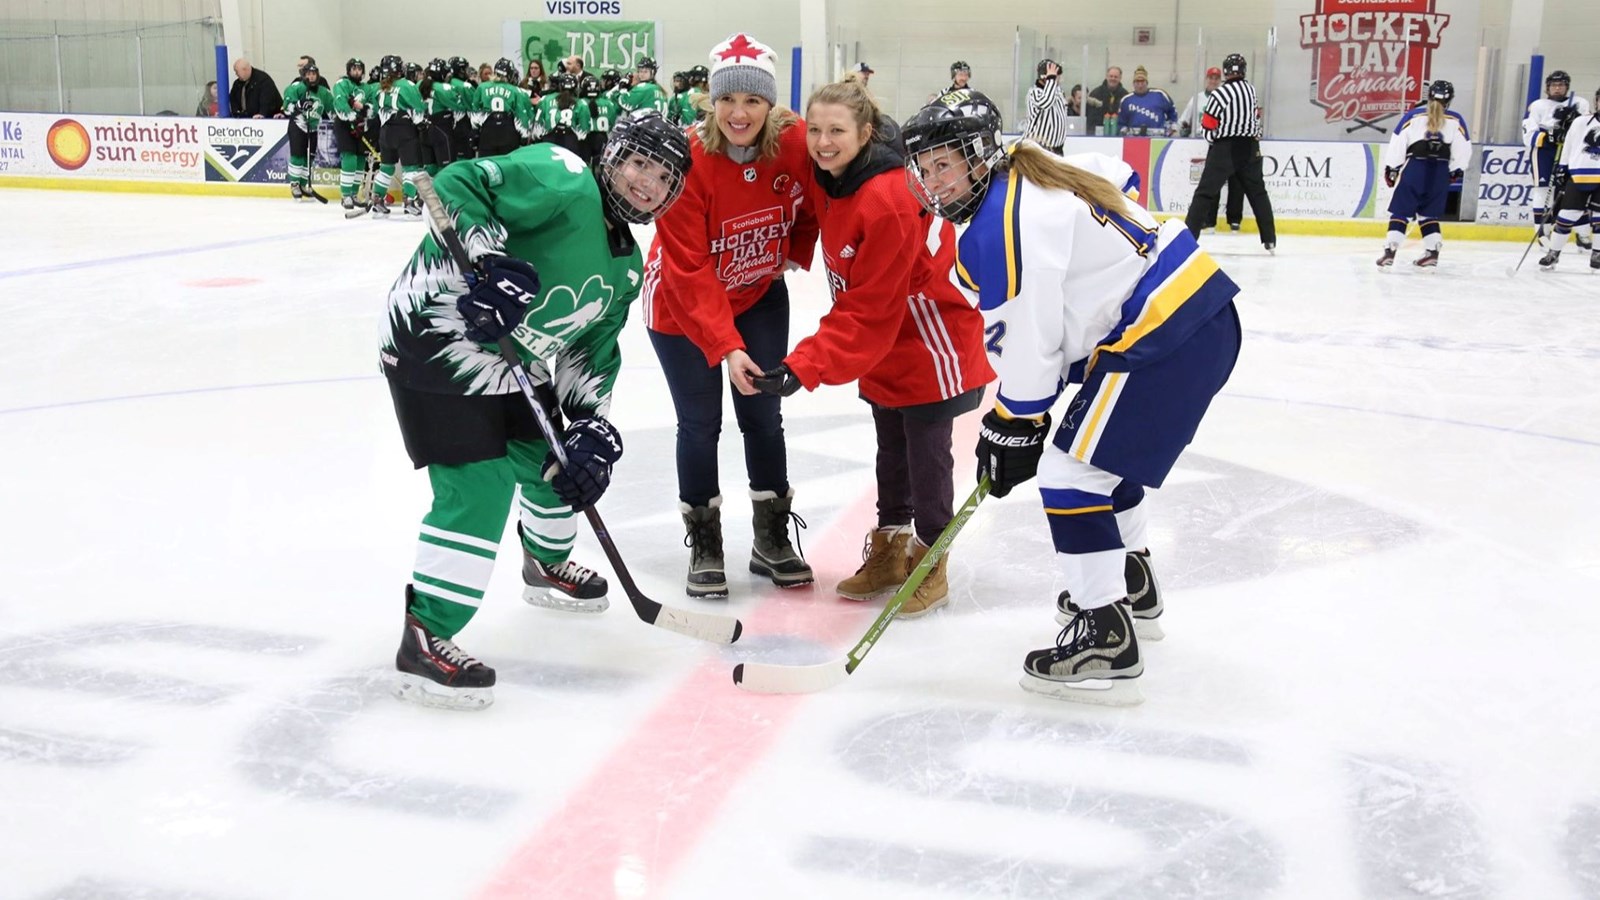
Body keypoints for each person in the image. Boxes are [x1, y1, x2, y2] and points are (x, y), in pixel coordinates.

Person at [902, 90, 1241, 706]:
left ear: (980, 157)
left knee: (1070, 469)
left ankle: (1106, 637)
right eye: (923, 169)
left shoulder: (1002, 228)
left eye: (944, 164)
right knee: (1099, 457)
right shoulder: (1033, 167)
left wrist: (1012, 423)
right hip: (1194, 313)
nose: (933, 182)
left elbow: (1031, 351)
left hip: (1162, 337)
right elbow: (1121, 179)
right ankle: (1130, 582)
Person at [382, 112, 692, 710]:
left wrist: (591, 424)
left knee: (562, 464)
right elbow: (458, 183)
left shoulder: (627, 267)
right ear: (613, 157)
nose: (646, 183)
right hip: (434, 342)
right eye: (638, 163)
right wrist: (489, 259)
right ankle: (426, 633)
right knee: (481, 486)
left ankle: (545, 563)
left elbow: (589, 351)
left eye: (662, 176)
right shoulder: (564, 176)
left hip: (510, 364)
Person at [754, 82, 993, 616]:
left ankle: (932, 561)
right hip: (882, 337)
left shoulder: (886, 199)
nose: (822, 141)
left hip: (929, 334)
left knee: (925, 453)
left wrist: (803, 366)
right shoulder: (827, 169)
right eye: (815, 130)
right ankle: (890, 548)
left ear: (865, 134)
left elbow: (868, 311)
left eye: (837, 131)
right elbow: (771, 132)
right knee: (891, 446)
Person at [640, 33, 820, 599]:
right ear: (710, 101)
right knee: (701, 424)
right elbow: (688, 271)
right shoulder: (686, 160)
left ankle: (771, 540)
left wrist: (794, 249)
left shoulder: (793, 144)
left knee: (764, 416)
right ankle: (707, 543)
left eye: (753, 101)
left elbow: (817, 201)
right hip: (679, 306)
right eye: (727, 100)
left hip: (759, 292)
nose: (739, 113)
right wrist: (725, 345)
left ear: (771, 105)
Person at [1183, 53, 1276, 252]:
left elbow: (1208, 124)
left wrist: (1214, 143)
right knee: (1258, 193)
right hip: (1250, 148)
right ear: (1243, 70)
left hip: (1225, 147)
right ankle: (1270, 239)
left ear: (1225, 71)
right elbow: (1256, 117)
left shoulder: (1219, 94)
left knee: (1204, 193)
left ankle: (1189, 237)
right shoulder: (1251, 90)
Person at [1377, 80, 1470, 269]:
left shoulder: (1413, 116)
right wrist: (1455, 170)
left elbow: (1397, 143)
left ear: (1429, 96)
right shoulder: (1456, 120)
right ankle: (1432, 253)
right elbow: (1464, 151)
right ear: (1450, 100)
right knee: (1429, 214)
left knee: (1401, 211)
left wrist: (1392, 168)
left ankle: (1390, 251)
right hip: (1440, 171)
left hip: (1415, 168)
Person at [1523, 70, 1593, 250]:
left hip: (1571, 151)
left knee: (1572, 192)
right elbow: (1528, 133)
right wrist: (1549, 137)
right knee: (1542, 189)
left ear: (1567, 87)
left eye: (1561, 85)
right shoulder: (1537, 105)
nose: (1557, 88)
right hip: (1544, 151)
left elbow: (1588, 129)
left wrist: (1573, 124)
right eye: (1553, 85)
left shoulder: (1580, 103)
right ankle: (1541, 232)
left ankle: (1583, 233)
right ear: (1547, 87)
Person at [1538, 86, 1600, 271]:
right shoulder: (1581, 122)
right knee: (1566, 216)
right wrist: (1562, 167)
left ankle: (1597, 253)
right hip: (1579, 175)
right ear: (1596, 101)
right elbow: (1569, 145)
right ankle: (1554, 253)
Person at [1180, 67, 1244, 233]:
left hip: (1224, 142)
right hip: (1207, 142)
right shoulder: (1197, 99)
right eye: (1211, 77)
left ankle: (1234, 219)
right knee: (1211, 184)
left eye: (1217, 78)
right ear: (1206, 79)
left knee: (1236, 182)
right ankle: (1209, 221)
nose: (1214, 81)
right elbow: (1184, 121)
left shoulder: (1229, 96)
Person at [371, 55, 426, 216]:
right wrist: (420, 123)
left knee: (386, 167)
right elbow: (418, 109)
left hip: (385, 131)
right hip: (404, 130)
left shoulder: (379, 87)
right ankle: (409, 200)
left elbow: (374, 110)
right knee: (411, 168)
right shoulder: (407, 85)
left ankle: (377, 199)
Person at [281, 63, 336, 200]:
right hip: (298, 126)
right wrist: (299, 104)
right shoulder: (297, 87)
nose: (311, 77)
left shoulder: (323, 92)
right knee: (298, 155)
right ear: (304, 75)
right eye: (308, 74)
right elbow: (287, 106)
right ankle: (295, 184)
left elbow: (332, 110)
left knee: (309, 157)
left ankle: (304, 184)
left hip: (313, 128)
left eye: (314, 74)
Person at [475, 58, 535, 158]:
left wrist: (475, 133)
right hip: (508, 131)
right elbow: (521, 115)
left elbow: (475, 112)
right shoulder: (516, 91)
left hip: (488, 131)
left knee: (487, 166)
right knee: (508, 167)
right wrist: (524, 137)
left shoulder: (482, 87)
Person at [535, 71, 590, 159]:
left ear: (559, 86)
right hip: (570, 142)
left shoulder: (545, 99)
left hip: (549, 141)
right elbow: (583, 131)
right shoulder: (581, 104)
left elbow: (538, 125)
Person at [1021, 59, 1069, 153]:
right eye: (1056, 76)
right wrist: (1051, 79)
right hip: (1037, 149)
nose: (1059, 79)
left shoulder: (1057, 91)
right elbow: (1046, 102)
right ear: (1045, 77)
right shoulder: (1034, 92)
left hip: (1056, 149)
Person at [1117, 66, 1176, 136]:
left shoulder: (1160, 95)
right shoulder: (1126, 100)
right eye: (1137, 82)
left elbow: (1172, 112)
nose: (1140, 85)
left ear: (1147, 83)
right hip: (1134, 138)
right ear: (1133, 83)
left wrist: (1172, 127)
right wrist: (1124, 131)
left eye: (1142, 82)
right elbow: (1121, 122)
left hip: (1158, 137)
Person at [579, 72, 619, 164]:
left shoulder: (580, 103)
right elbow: (612, 121)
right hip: (602, 137)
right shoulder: (608, 103)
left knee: (584, 165)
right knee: (601, 166)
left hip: (585, 138)